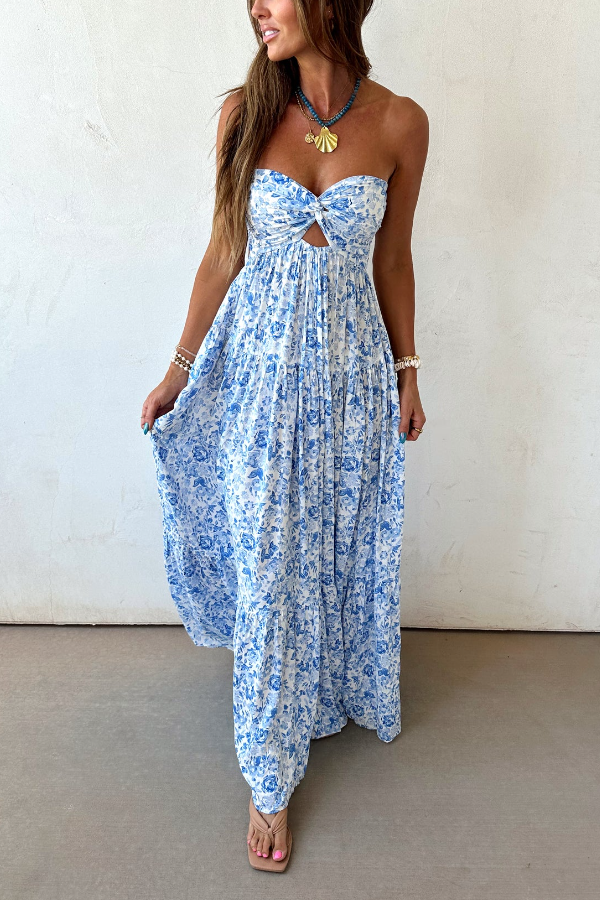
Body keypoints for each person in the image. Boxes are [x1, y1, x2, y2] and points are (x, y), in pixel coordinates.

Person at [140, 0, 428, 873]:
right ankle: (269, 774)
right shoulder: (244, 113)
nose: (256, 7)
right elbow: (223, 251)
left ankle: (320, 691)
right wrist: (179, 369)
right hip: (258, 379)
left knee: (332, 549)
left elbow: (392, 258)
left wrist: (408, 370)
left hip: (350, 381)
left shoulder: (401, 123)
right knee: (270, 558)